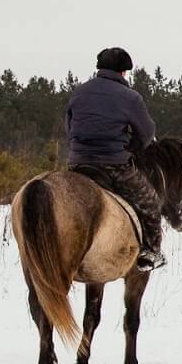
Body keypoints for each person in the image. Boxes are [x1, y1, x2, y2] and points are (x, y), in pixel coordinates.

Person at [66, 47, 161, 270]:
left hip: (78, 163)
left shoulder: (78, 93)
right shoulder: (130, 98)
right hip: (114, 164)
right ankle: (151, 251)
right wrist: (131, 148)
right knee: (150, 202)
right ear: (123, 72)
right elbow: (147, 133)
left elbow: (69, 128)